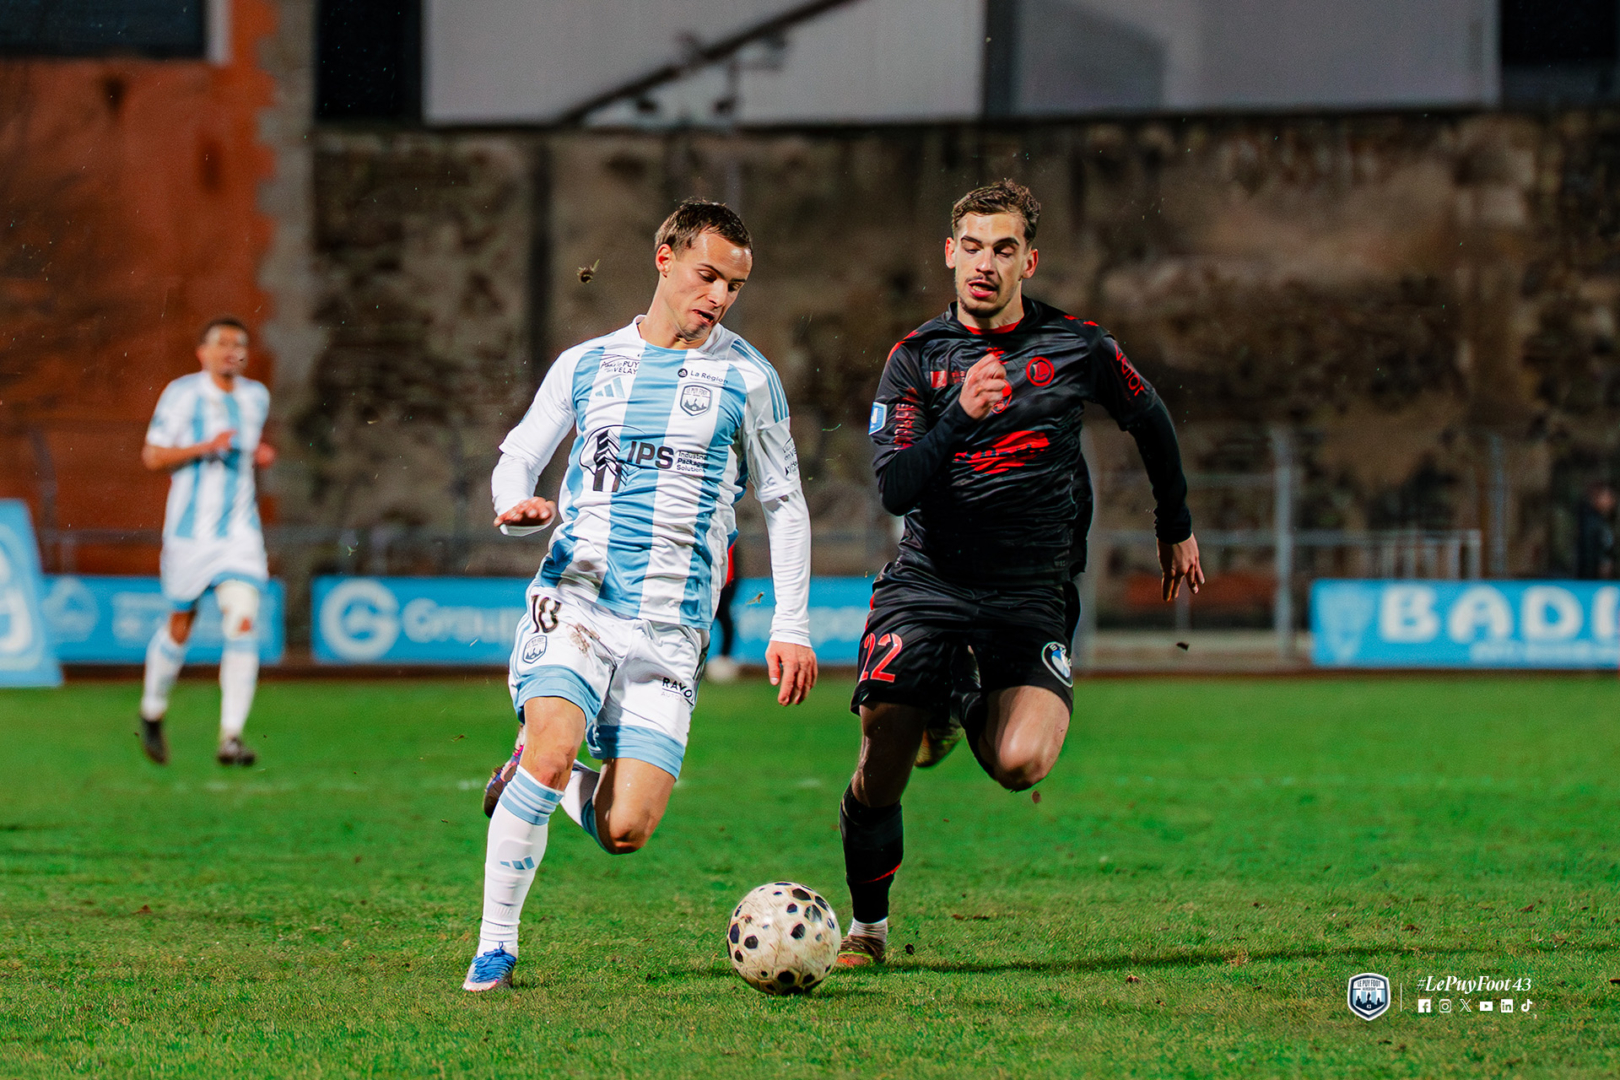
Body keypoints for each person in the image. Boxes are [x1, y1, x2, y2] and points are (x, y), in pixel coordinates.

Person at [836, 180, 1203, 966]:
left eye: (1003, 249)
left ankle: (957, 694)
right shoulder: (916, 359)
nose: (985, 264)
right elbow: (896, 487)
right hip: (930, 583)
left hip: (1031, 591)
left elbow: (1150, 418)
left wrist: (1174, 524)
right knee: (883, 758)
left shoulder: (1079, 346)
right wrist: (960, 416)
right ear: (949, 253)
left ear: (1027, 262)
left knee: (1020, 764)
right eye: (971, 247)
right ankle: (867, 930)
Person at [463, 198, 818, 992]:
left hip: (672, 628)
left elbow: (784, 503)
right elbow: (520, 454)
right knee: (555, 746)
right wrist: (515, 505)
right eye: (707, 276)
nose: (719, 297)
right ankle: (495, 948)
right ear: (665, 258)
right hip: (579, 599)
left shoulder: (749, 379)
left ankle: (535, 776)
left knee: (625, 828)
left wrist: (790, 624)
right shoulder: (586, 364)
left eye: (734, 286)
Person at [137, 317, 275, 766]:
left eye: (239, 343)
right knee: (181, 624)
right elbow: (152, 455)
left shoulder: (256, 397)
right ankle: (152, 711)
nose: (231, 350)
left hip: (240, 533)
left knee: (243, 621)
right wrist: (204, 446)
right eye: (221, 343)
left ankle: (231, 736)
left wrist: (258, 453)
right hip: (189, 536)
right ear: (203, 353)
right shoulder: (182, 394)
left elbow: (245, 446)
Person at [1574, 482, 1615, 580]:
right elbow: (1588, 552)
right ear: (1597, 498)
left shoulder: (1603, 520)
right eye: (1607, 497)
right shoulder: (1590, 522)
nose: (1612, 501)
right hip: (1590, 578)